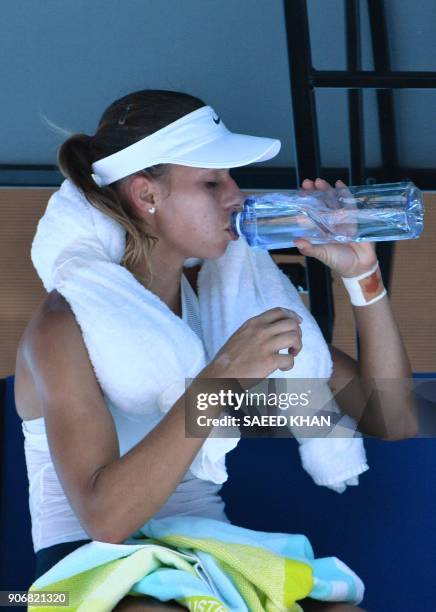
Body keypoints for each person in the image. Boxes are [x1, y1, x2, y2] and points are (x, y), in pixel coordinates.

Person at [14, 89, 417, 611]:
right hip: (79, 571)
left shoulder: (225, 304)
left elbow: (393, 417)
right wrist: (221, 380)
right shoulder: (65, 322)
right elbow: (106, 520)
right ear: (146, 195)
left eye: (231, 178)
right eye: (212, 181)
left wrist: (362, 277)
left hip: (206, 557)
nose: (236, 196)